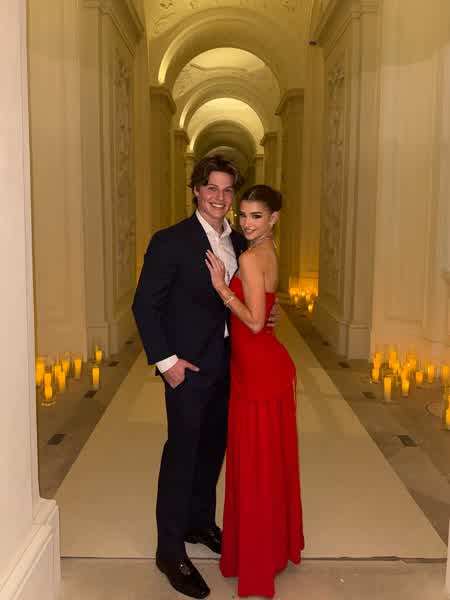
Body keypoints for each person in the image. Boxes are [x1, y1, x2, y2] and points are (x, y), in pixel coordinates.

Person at [132, 155, 277, 599]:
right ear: (196, 190)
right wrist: (167, 362)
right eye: (211, 187)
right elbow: (145, 305)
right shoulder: (171, 241)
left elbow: (247, 298)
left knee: (213, 450)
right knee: (182, 455)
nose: (220, 197)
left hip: (231, 367)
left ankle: (199, 522)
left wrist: (265, 315)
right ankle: (169, 550)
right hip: (188, 370)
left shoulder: (239, 239)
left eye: (227, 189)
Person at [205, 184, 304, 598]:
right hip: (263, 367)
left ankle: (258, 558)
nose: (246, 223)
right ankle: (271, 549)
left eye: (256, 216)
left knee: (256, 468)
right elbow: (267, 308)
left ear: (273, 218)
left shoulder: (248, 257)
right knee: (266, 465)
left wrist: (221, 287)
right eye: (243, 215)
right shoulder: (270, 248)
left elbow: (254, 321)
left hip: (258, 373)